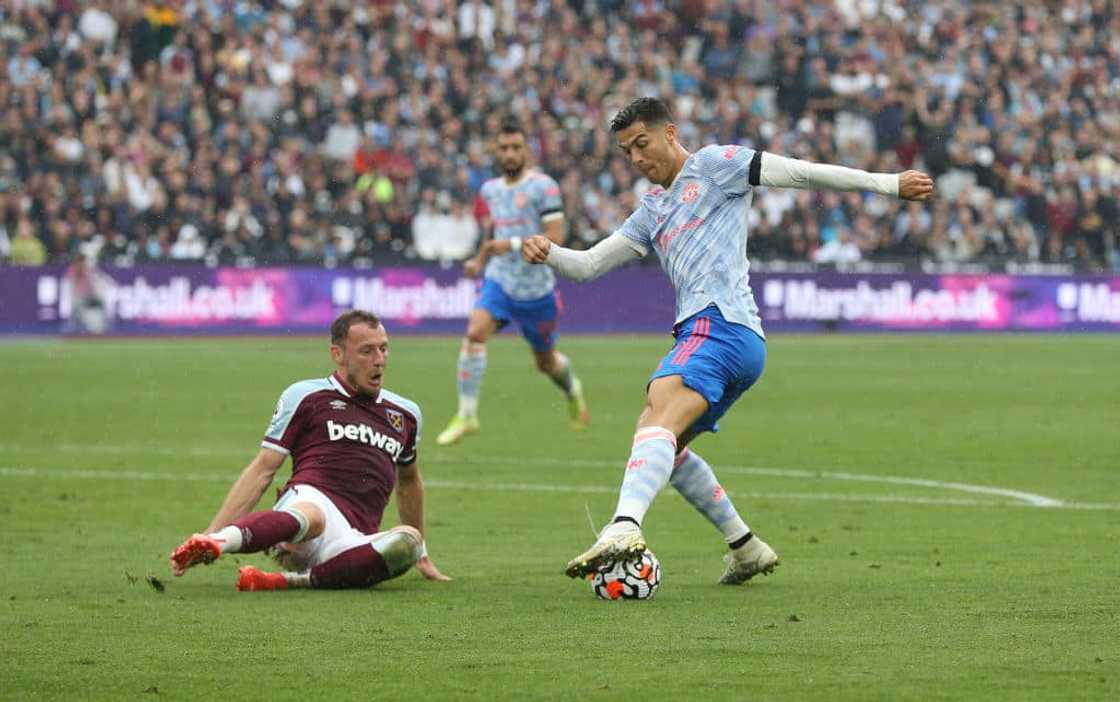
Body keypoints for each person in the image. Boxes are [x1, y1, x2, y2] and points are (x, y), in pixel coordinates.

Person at [522, 97, 934, 583]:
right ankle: (746, 548)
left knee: (658, 407)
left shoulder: (717, 165)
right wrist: (549, 252)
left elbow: (800, 173)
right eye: (626, 151)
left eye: (642, 144)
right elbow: (589, 267)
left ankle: (624, 524)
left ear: (670, 134)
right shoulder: (653, 209)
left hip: (718, 325)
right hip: (735, 341)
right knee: (661, 445)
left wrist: (887, 184)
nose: (635, 158)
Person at [170, 310, 450, 590]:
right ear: (338, 354)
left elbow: (409, 480)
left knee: (408, 541)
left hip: (352, 538)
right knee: (312, 516)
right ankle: (218, 543)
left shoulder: (406, 414)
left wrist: (421, 554)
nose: (379, 360)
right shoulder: (306, 396)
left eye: (384, 349)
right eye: (367, 351)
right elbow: (263, 469)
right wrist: (212, 532)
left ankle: (284, 582)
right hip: (307, 506)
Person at [435, 117, 589, 446]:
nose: (509, 153)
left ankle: (572, 388)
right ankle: (467, 414)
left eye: (515, 147)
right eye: (503, 148)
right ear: (495, 151)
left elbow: (556, 236)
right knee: (475, 333)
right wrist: (480, 259)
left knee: (545, 362)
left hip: (536, 290)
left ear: (527, 151)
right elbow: (493, 231)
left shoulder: (543, 187)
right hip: (500, 281)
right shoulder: (489, 189)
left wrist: (512, 245)